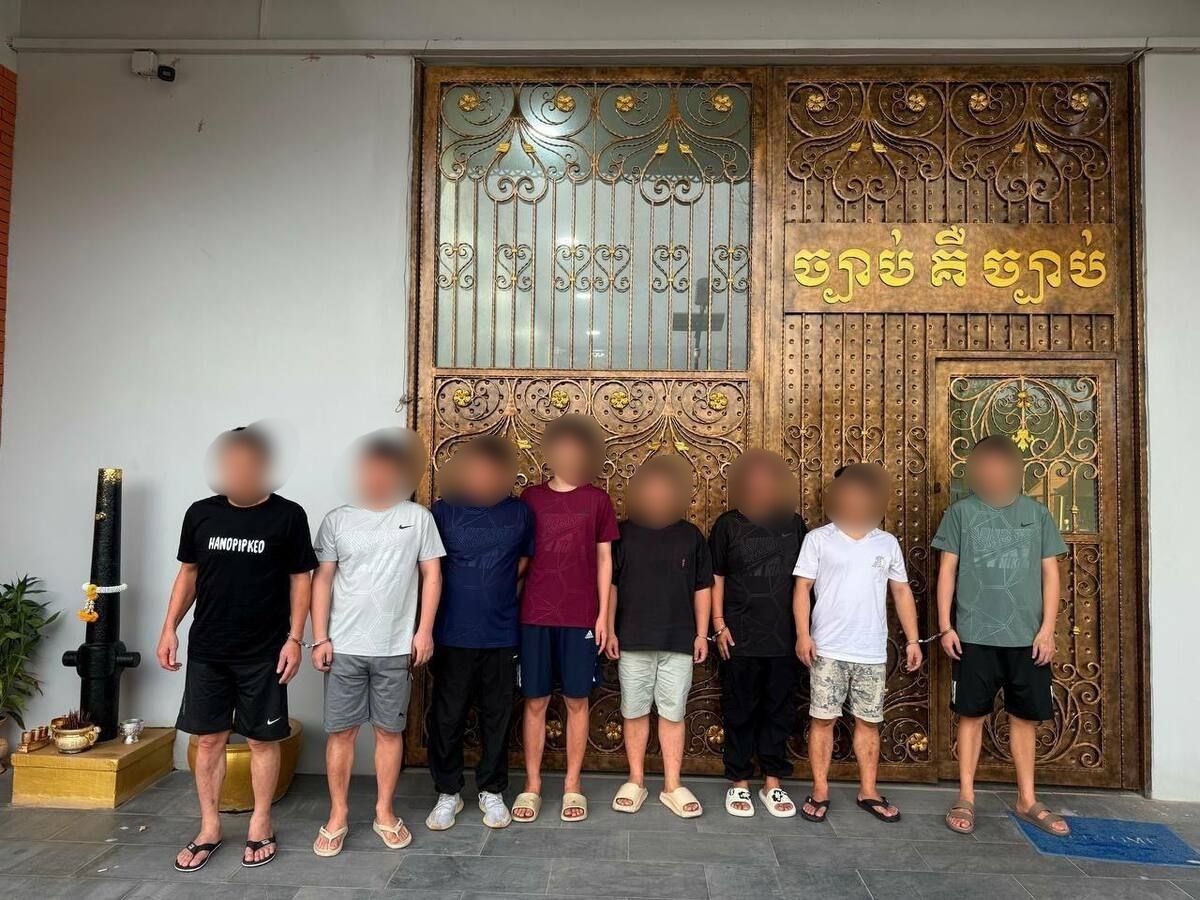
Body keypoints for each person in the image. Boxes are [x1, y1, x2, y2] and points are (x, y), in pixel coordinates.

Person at [158, 425, 317, 872]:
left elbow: (300, 579)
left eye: (247, 463)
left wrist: (295, 638)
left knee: (263, 740)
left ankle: (260, 822)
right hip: (209, 649)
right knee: (209, 739)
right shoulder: (200, 514)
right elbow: (188, 574)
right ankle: (209, 827)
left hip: (264, 651)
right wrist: (169, 628)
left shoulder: (288, 516)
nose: (237, 471)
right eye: (230, 463)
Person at [309, 428, 444, 857]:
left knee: (389, 731)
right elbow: (322, 579)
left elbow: (432, 575)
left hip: (395, 646)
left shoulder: (417, 518)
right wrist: (319, 637)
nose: (378, 477)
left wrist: (424, 630)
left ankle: (385, 812)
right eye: (370, 469)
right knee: (342, 733)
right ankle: (338, 815)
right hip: (344, 646)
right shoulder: (337, 520)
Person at [934, 435, 1071, 837]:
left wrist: (1047, 629)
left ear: (1014, 470)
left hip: (1027, 638)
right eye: (986, 467)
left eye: (1000, 466)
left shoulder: (1037, 514)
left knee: (1025, 718)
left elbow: (1050, 573)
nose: (993, 473)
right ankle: (966, 796)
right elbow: (947, 570)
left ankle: (1027, 799)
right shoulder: (961, 513)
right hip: (974, 634)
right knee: (971, 715)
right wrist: (946, 625)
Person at [793, 463, 922, 825]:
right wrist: (803, 634)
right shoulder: (818, 539)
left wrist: (913, 640)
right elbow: (802, 588)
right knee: (823, 719)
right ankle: (820, 790)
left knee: (869, 721)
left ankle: (868, 790)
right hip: (828, 648)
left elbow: (901, 591)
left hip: (870, 650)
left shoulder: (886, 543)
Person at [424, 435, 534, 831]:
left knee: (497, 715)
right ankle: (447, 792)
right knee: (448, 715)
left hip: (500, 633)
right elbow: (429, 570)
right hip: (451, 632)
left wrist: (495, 591)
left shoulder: (519, 513)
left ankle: (492, 789)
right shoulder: (442, 512)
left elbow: (523, 564)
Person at [513, 414, 618, 823]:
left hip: (581, 616)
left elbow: (606, 561)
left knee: (577, 700)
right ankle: (532, 785)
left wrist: (603, 616)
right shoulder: (530, 499)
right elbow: (521, 558)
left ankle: (573, 785)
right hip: (535, 614)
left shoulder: (598, 500)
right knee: (535, 700)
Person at [605, 455, 712, 818]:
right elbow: (612, 585)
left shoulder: (690, 535)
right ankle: (635, 780)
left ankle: (672, 785)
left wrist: (702, 634)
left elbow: (702, 587)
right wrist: (609, 627)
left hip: (678, 641)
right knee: (634, 711)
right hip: (632, 638)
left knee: (673, 713)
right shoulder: (622, 533)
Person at [709, 449, 808, 818]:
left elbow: (804, 581)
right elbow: (716, 576)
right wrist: (718, 624)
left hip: (783, 636)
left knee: (778, 709)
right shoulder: (727, 525)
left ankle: (772, 782)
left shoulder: (794, 525)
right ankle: (738, 781)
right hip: (739, 635)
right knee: (739, 709)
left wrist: (804, 632)